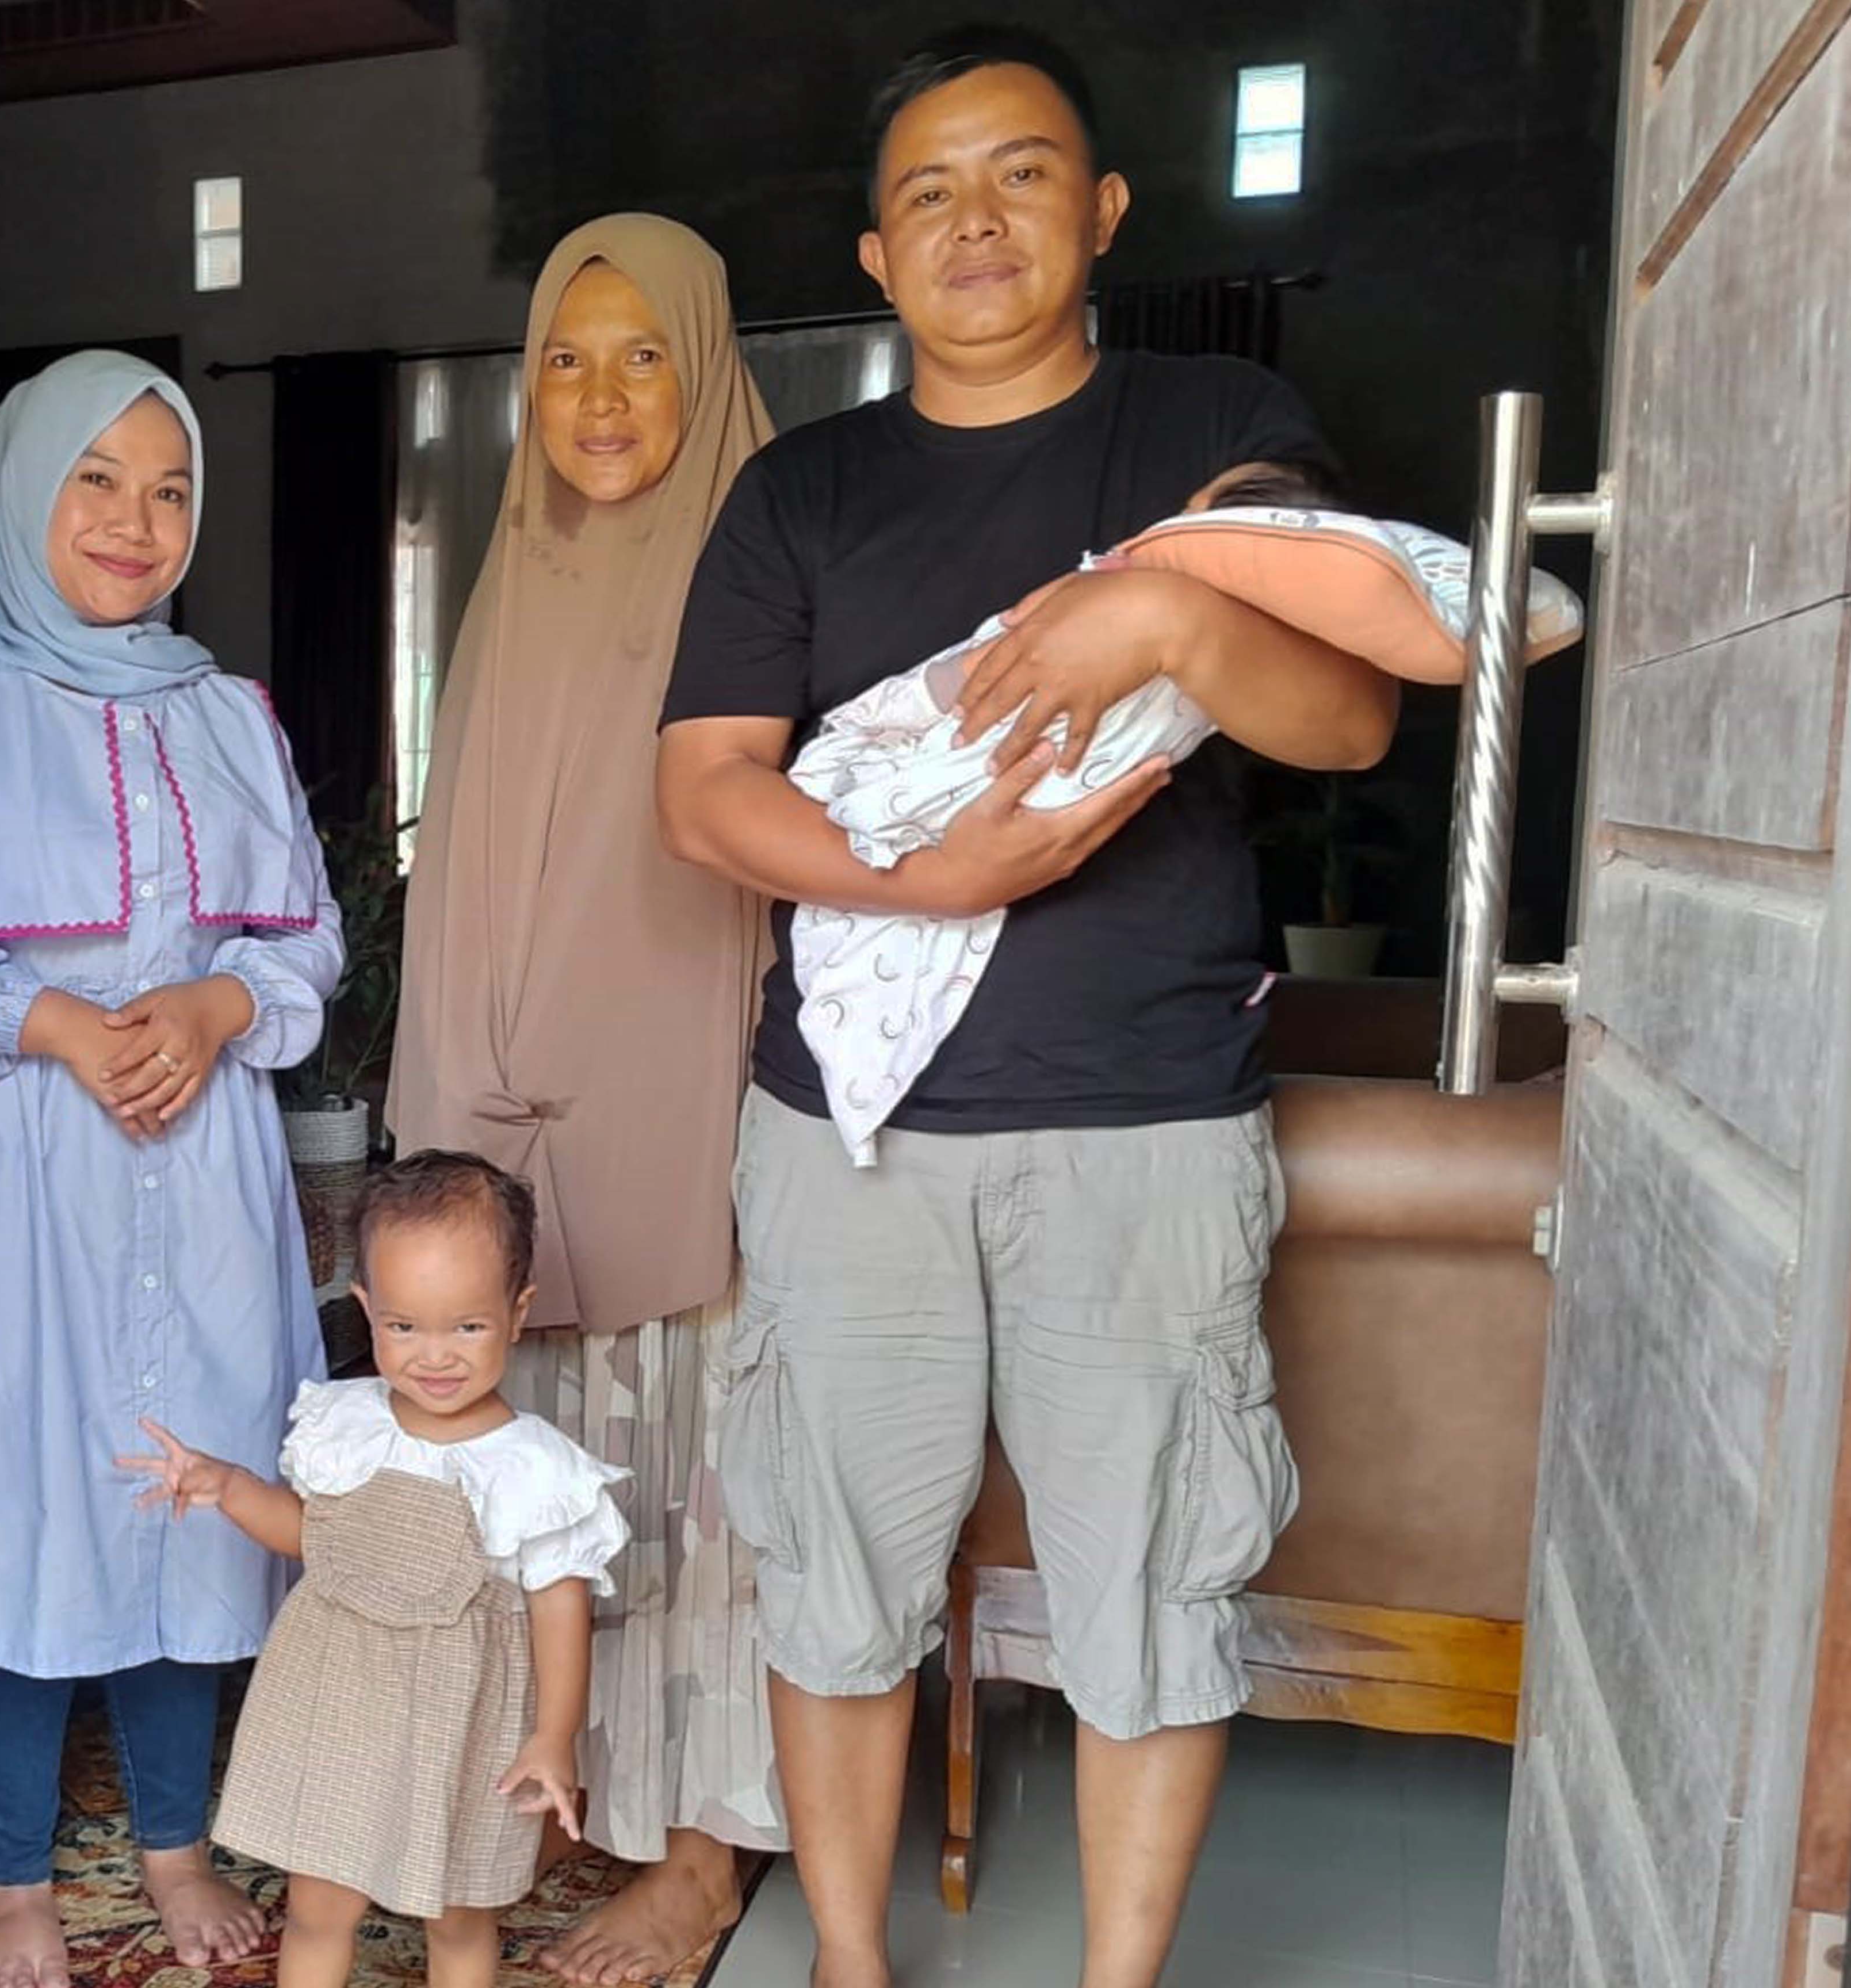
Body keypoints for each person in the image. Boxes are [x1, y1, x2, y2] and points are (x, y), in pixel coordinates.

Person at [655, 27, 1400, 1988]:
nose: (974, 220)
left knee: (1152, 1584)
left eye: (1021, 173)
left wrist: (1167, 615)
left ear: (1105, 211)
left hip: (1146, 1120)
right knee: (834, 1574)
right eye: (928, 191)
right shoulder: (802, 489)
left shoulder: (1213, 427)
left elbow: (1348, 718)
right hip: (849, 1134)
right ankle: (847, 1961)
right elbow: (705, 790)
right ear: (876, 255)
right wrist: (931, 879)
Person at [0, 350, 341, 1988]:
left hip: (196, 1163)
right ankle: (14, 1879)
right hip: (2, 1173)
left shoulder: (228, 714)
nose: (136, 519)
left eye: (169, 489)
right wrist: (43, 1018)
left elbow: (308, 943)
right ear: (21, 488)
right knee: (17, 1498)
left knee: (187, 1490)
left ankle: (176, 1845)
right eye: (95, 479)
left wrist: (217, 1003)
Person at [387, 212, 785, 1984]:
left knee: (702, 1484)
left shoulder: (762, 568)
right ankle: (568, 1793)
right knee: (541, 1473)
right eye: (565, 358)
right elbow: (460, 879)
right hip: (502, 1114)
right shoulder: (510, 577)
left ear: (707, 375)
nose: (602, 397)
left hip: (691, 1108)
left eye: (644, 358)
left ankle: (702, 1857)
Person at [118, 1152, 632, 1988]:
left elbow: (558, 1608)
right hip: (342, 1705)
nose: (435, 1356)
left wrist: (554, 1736)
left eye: (467, 1327)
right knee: (320, 1906)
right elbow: (316, 1539)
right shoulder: (345, 1426)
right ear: (368, 1310)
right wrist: (230, 1488)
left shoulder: (534, 1470)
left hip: (465, 1723)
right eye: (404, 1328)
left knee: (459, 1917)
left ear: (517, 1312)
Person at [788, 458, 1342, 1162]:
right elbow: (1005, 645)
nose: (1167, 530)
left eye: (1194, 519)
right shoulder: (1108, 585)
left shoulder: (1229, 638)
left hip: (1146, 1089)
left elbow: (1346, 730)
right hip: (956, 773)